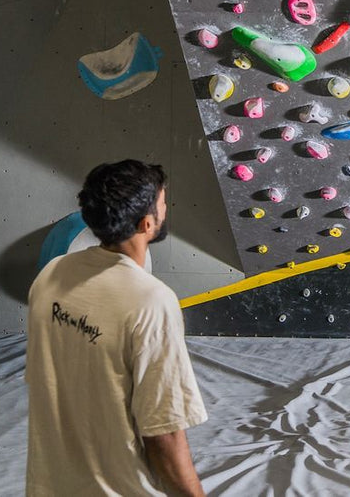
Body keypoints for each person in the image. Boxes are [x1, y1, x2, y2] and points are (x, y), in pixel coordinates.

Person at [27, 160, 208, 497]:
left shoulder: (50, 275)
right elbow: (164, 434)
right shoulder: (150, 301)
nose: (167, 208)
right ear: (147, 223)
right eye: (164, 202)